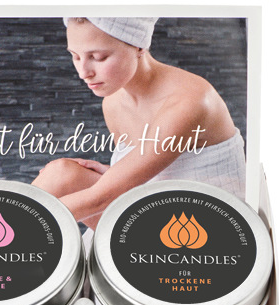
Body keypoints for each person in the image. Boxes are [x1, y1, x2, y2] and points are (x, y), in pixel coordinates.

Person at [32, 17, 246, 233]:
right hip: (159, 213)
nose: (83, 72)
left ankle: (16, 235)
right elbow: (159, 175)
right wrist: (116, 174)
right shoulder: (114, 103)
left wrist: (23, 219)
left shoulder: (190, 101)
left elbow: (99, 199)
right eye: (75, 56)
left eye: (98, 57)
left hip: (209, 232)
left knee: (32, 217)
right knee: (60, 173)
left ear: (139, 46)